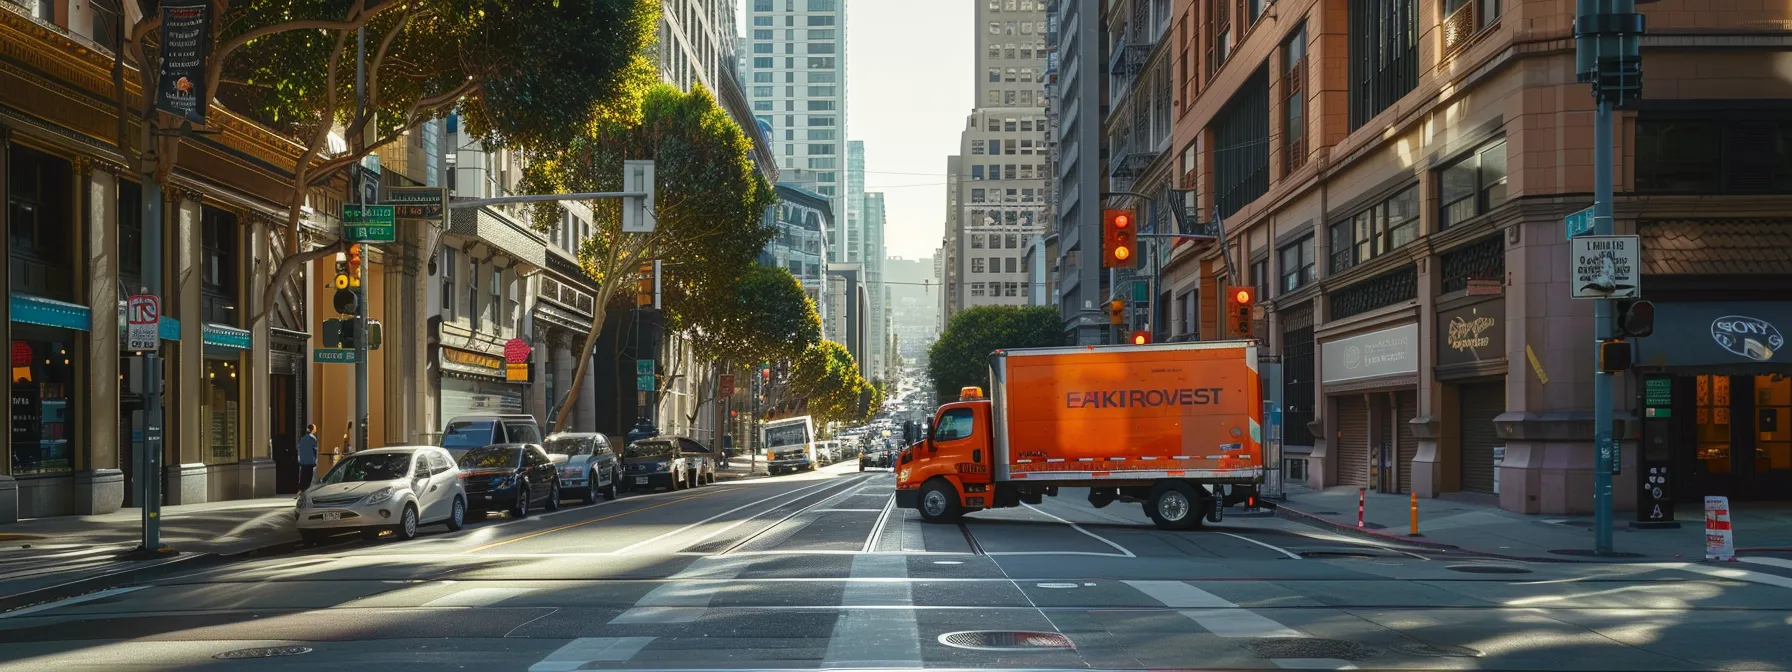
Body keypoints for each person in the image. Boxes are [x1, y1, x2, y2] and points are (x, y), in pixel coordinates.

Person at [297, 423, 319, 493]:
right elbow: (315, 450)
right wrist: (316, 461)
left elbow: (299, 449)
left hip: (303, 461)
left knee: (303, 476)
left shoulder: (302, 439)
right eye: (315, 428)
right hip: (310, 461)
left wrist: (300, 459)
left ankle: (301, 490)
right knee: (309, 477)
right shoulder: (313, 439)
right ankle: (307, 490)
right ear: (313, 429)